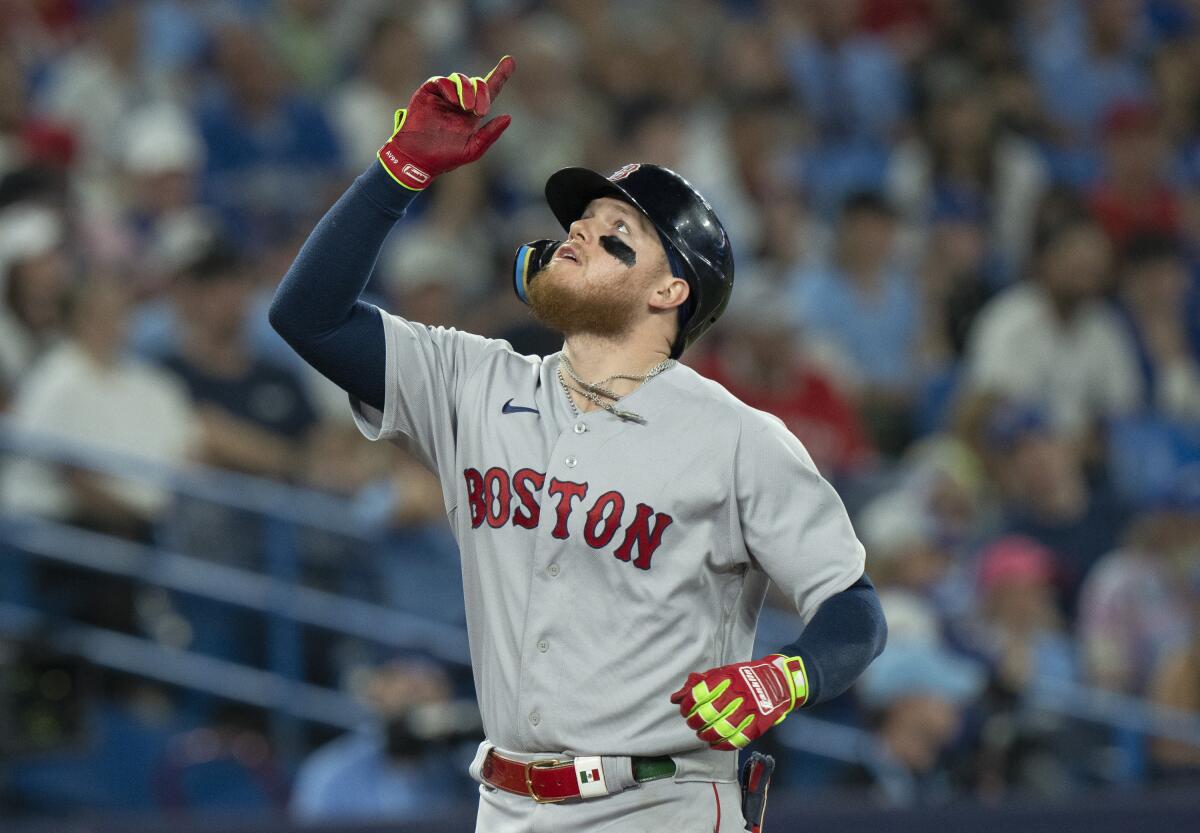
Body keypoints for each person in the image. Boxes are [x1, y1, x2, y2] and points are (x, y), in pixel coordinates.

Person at [270, 56, 887, 831]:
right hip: (504, 802)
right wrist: (397, 173)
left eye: (615, 232)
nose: (580, 234)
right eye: (580, 224)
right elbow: (309, 317)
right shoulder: (475, 381)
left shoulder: (738, 438)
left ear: (670, 291)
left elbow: (854, 609)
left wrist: (791, 673)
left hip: (661, 803)